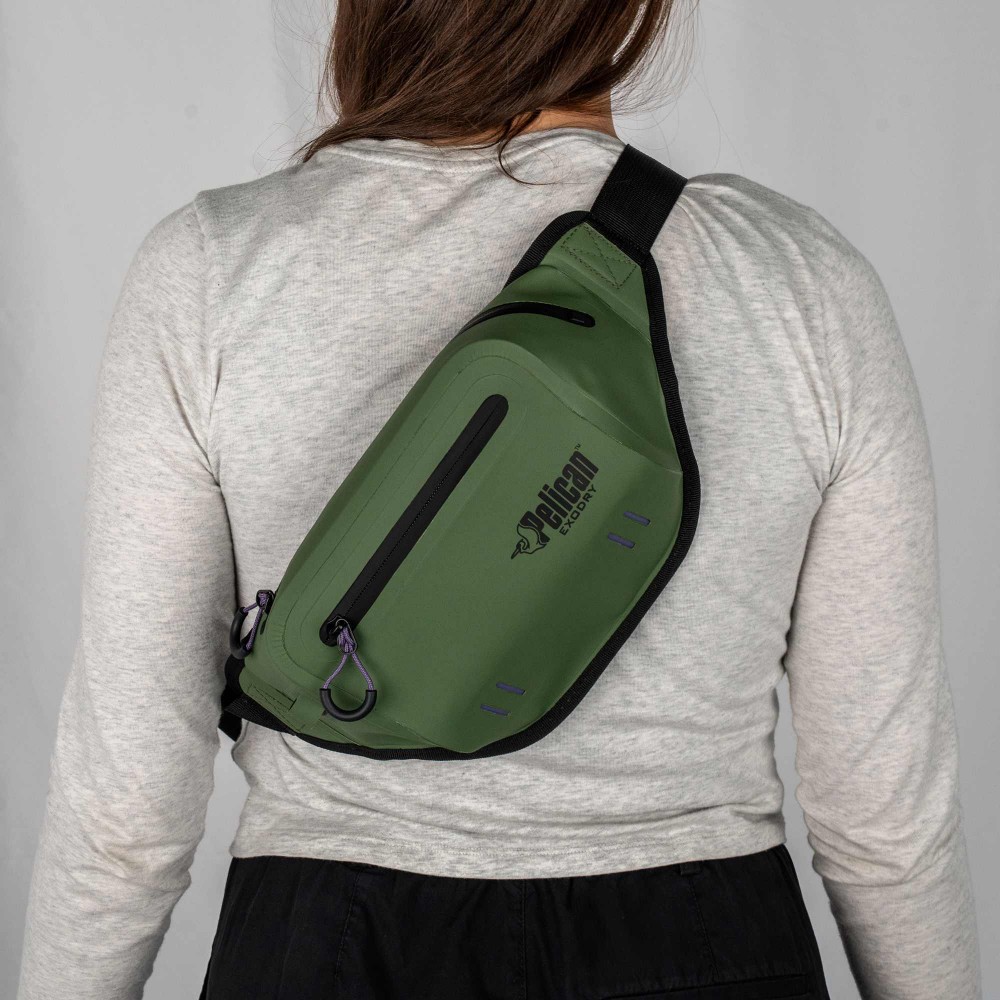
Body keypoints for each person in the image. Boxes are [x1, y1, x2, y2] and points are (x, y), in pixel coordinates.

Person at [17, 2, 981, 998]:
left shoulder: (213, 271)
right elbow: (885, 817)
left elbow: (127, 812)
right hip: (708, 939)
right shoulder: (802, 283)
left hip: (332, 941)